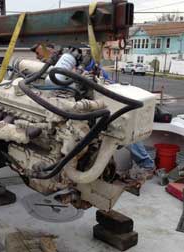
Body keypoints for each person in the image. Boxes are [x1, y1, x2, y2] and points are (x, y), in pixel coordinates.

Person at [30, 43, 155, 179]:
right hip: (81, 101)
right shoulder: (54, 65)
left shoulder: (72, 60)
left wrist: (86, 65)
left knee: (122, 127)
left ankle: (146, 164)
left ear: (50, 49)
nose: (37, 57)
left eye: (38, 52)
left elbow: (95, 74)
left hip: (104, 97)